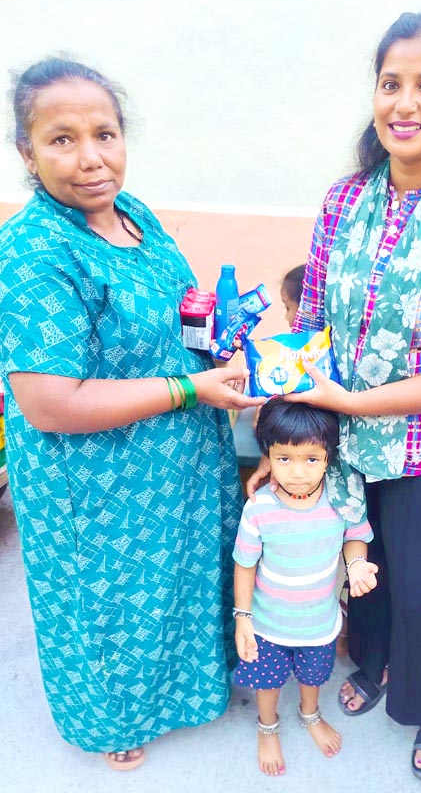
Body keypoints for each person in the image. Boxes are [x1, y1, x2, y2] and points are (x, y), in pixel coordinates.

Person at [248, 9, 421, 782]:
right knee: (359, 567)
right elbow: (313, 323)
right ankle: (371, 663)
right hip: (343, 442)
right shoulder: (346, 200)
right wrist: (283, 418)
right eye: (390, 83)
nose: (405, 103)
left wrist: (353, 405)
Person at [0, 58, 264, 770]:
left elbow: (174, 309)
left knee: (179, 585)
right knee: (112, 612)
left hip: (176, 461)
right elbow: (50, 403)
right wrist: (189, 390)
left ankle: (189, 693)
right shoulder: (33, 251)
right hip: (96, 484)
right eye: (62, 139)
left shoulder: (133, 214)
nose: (91, 158)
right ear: (27, 151)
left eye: (105, 134)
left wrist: (218, 343)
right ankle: (113, 721)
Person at [233, 398, 377, 776]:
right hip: (267, 625)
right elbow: (244, 565)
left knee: (313, 677)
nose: (297, 472)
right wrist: (243, 618)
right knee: (267, 682)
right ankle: (267, 726)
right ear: (268, 456)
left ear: (329, 456)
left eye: (311, 459)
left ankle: (309, 714)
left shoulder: (341, 499)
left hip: (319, 624)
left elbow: (355, 537)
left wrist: (357, 565)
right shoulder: (259, 508)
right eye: (285, 458)